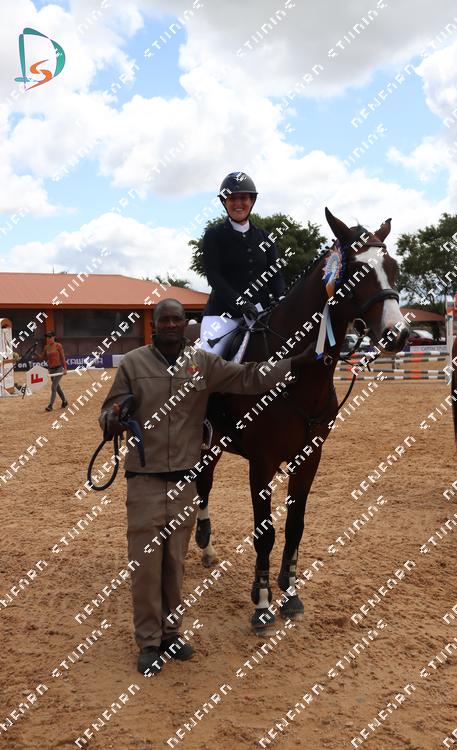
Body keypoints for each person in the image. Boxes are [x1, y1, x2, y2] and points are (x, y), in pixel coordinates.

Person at [99, 298, 315, 676]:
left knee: (174, 565)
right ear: (155, 325)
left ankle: (171, 634)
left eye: (176, 319)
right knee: (146, 567)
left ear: (185, 323)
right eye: (164, 319)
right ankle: (149, 643)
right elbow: (108, 411)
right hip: (145, 481)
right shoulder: (133, 364)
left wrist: (295, 363)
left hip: (185, 482)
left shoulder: (203, 364)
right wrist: (112, 419)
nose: (170, 325)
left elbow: (250, 377)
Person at [199, 172, 286, 356]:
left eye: (243, 198)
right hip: (222, 315)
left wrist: (282, 299)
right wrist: (241, 303)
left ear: (252, 201)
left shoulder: (265, 237)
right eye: (232, 198)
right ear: (225, 202)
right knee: (209, 357)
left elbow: (275, 275)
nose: (238, 203)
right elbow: (214, 277)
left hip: (260, 313)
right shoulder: (214, 236)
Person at [39, 330, 68, 412]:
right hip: (51, 370)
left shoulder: (58, 345)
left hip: (59, 369)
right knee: (57, 387)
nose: (48, 339)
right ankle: (64, 401)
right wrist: (34, 353)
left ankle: (50, 405)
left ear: (54, 337)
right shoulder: (46, 347)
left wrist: (65, 368)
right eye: (47, 337)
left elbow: (62, 357)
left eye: (50, 337)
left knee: (53, 387)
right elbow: (42, 357)